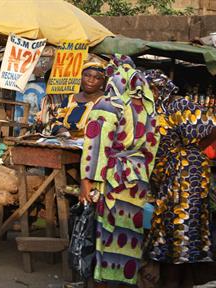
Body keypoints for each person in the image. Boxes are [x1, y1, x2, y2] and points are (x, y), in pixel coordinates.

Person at [79, 55, 160, 287]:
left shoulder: (107, 105)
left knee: (105, 234)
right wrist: (143, 175)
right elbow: (151, 149)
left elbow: (95, 146)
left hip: (112, 178)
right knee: (130, 237)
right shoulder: (147, 110)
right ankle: (125, 278)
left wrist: (87, 180)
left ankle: (103, 280)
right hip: (137, 180)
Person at [145, 70, 216, 288]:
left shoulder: (178, 106)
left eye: (151, 88)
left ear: (160, 89)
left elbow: (215, 124)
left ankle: (175, 281)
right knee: (178, 231)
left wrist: (197, 147)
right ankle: (185, 281)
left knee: (180, 229)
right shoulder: (153, 110)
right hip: (170, 176)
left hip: (186, 176)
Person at [44, 62, 106, 138]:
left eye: (97, 78)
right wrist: (63, 131)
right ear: (80, 77)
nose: (91, 80)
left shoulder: (106, 101)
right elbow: (56, 121)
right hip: (67, 143)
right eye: (87, 75)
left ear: (102, 82)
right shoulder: (69, 99)